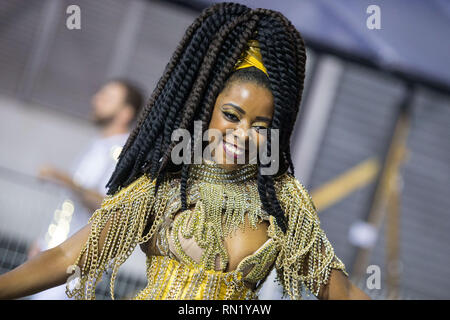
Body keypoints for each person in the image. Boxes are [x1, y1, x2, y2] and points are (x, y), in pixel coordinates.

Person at [0, 3, 369, 300]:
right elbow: (66, 257)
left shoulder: (282, 203)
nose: (242, 134)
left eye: (261, 126)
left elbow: (343, 293)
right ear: (205, 107)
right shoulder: (164, 185)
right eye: (231, 116)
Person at [27, 79, 144, 299]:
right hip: (53, 255)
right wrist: (45, 240)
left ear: (125, 113)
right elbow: (69, 205)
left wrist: (63, 178)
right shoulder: (99, 144)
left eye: (107, 98)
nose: (96, 100)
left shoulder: (122, 151)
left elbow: (107, 205)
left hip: (74, 262)